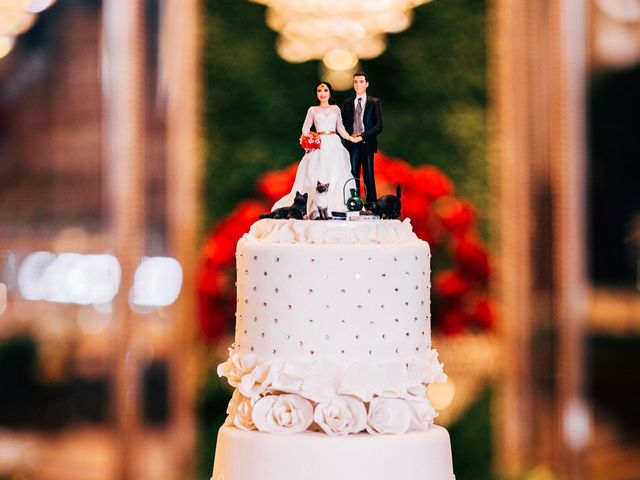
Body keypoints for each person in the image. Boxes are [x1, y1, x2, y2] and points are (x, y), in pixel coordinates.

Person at [272, 82, 358, 215]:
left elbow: (340, 127)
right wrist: (308, 141)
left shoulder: (336, 109)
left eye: (325, 90)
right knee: (317, 171)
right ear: (316, 94)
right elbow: (305, 128)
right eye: (319, 90)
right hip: (320, 143)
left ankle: (337, 204)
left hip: (334, 142)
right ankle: (314, 207)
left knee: (336, 171)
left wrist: (349, 137)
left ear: (330, 93)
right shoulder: (313, 110)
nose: (322, 93)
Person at [341, 72, 383, 205]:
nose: (358, 84)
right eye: (355, 82)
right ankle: (355, 201)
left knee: (368, 173)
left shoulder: (374, 102)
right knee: (353, 173)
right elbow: (340, 122)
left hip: (366, 142)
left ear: (367, 84)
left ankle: (371, 202)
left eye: (361, 81)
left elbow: (378, 125)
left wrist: (362, 136)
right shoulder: (348, 103)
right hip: (351, 143)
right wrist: (348, 136)